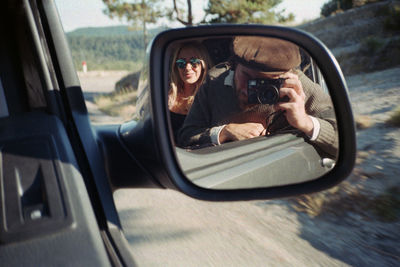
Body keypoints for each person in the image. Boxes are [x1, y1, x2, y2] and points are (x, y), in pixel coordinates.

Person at [178, 36, 338, 158]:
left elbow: (343, 142)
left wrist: (304, 121)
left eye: (266, 83)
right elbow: (186, 136)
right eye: (246, 76)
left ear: (287, 75)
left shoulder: (296, 87)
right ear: (233, 66)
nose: (250, 89)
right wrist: (225, 132)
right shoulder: (214, 82)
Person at [168, 41, 211, 142]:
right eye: (181, 63)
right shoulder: (166, 95)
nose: (187, 67)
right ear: (176, 67)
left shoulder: (208, 97)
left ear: (203, 65)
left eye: (194, 62)